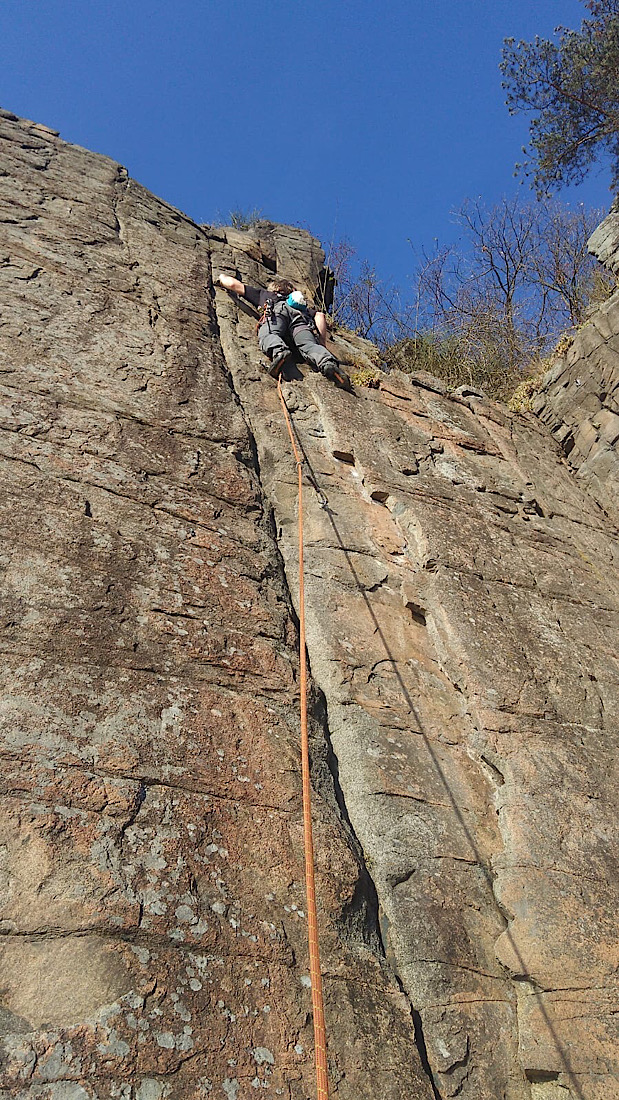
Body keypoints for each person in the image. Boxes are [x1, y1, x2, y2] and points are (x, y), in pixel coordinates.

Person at [216, 273, 352, 389]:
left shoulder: (266, 295)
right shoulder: (302, 307)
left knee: (270, 334)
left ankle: (279, 352)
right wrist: (322, 343)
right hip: (301, 321)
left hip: (277, 313)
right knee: (309, 346)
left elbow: (234, 285)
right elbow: (320, 316)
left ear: (276, 289)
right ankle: (327, 363)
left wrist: (221, 277)